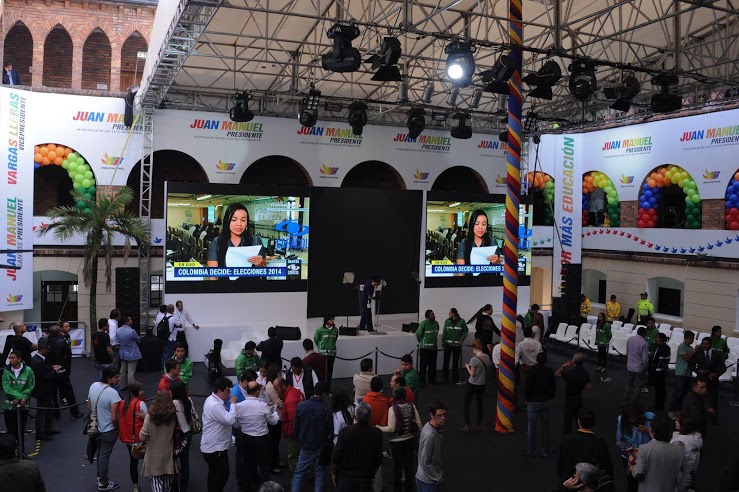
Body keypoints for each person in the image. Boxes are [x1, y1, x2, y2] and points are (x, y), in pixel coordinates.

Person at [232, 381, 280, 492]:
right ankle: (267, 489)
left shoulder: (239, 406)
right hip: (262, 440)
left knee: (247, 464)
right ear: (257, 392)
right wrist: (276, 412)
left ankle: (247, 487)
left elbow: (235, 424)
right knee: (264, 467)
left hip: (246, 439)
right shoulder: (263, 406)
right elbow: (273, 422)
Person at [377, 386, 423, 492]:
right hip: (410, 440)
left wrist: (378, 427)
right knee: (409, 466)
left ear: (394, 397)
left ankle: (396, 489)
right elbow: (419, 424)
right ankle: (408, 488)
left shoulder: (392, 409)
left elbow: (391, 428)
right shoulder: (412, 406)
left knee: (397, 467)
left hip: (396, 443)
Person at [331, 402, 383, 492]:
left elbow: (336, 455)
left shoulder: (345, 431)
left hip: (346, 477)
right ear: (369, 416)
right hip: (366, 478)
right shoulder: (377, 433)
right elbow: (378, 458)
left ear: (355, 416)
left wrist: (334, 472)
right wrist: (372, 473)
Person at [629, 413, 683, 492]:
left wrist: (632, 467)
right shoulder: (679, 450)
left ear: (652, 431)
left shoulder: (644, 449)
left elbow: (638, 474)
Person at [88, 366, 122, 491]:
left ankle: (100, 478)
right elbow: (114, 417)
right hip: (109, 430)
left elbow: (89, 407)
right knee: (104, 456)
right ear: (109, 378)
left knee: (100, 453)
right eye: (116, 377)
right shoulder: (113, 393)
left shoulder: (93, 386)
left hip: (96, 427)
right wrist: (118, 428)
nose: (119, 379)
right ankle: (103, 483)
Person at [292, 381, 330, 492]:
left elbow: (296, 427)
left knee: (299, 472)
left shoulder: (301, 406)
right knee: (319, 473)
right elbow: (329, 430)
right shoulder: (325, 409)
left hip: (305, 445)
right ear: (324, 394)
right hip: (320, 446)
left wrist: (300, 439)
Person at [207, 203, 267, 272]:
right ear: (227, 221)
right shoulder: (217, 242)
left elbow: (263, 270)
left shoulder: (255, 241)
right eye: (234, 220)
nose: (239, 224)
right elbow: (213, 273)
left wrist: (259, 264)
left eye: (243, 220)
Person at [200, 378, 237, 492]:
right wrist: (233, 404)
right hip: (215, 449)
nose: (229, 393)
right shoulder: (215, 405)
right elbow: (230, 420)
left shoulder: (212, 400)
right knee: (221, 475)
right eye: (227, 391)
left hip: (213, 447)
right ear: (219, 391)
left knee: (213, 475)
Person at [557, 408, 613, 482]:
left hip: (570, 483)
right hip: (591, 484)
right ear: (593, 423)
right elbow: (607, 468)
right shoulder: (600, 443)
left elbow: (560, 467)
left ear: (578, 422)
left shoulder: (565, 440)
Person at [140, 391, 179, 492]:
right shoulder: (173, 417)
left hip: (153, 457)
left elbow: (142, 437)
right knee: (167, 486)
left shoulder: (149, 417)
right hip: (168, 455)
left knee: (156, 484)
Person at [523, 352, 556, 458]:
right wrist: (550, 397)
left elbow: (527, 388)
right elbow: (553, 386)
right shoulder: (549, 371)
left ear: (536, 360)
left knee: (531, 427)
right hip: (545, 401)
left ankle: (531, 450)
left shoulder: (531, 371)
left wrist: (527, 399)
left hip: (533, 401)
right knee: (546, 427)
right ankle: (545, 450)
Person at [2, 350, 35, 455]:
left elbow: (31, 386)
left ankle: (21, 452)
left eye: (13, 358)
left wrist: (22, 398)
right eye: (9, 358)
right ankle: (13, 453)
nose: (10, 360)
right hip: (9, 407)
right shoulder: (6, 371)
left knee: (21, 431)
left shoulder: (28, 371)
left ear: (19, 359)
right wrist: (21, 397)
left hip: (23, 407)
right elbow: (7, 388)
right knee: (11, 432)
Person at [616, 403, 654, 492]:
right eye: (630, 419)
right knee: (631, 481)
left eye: (634, 418)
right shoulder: (622, 421)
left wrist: (648, 430)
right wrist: (630, 452)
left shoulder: (649, 419)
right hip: (629, 456)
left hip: (645, 455)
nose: (632, 421)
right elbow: (619, 440)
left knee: (645, 479)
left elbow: (658, 437)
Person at [48, 322, 82, 419]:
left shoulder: (47, 342)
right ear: (58, 331)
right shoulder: (62, 342)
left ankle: (55, 414)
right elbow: (68, 355)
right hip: (62, 370)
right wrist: (66, 368)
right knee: (69, 393)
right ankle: (74, 413)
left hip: (51, 370)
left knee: (53, 394)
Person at [689, 336, 726, 424]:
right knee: (697, 399)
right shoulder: (699, 353)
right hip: (701, 380)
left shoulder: (717, 355)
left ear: (711, 344)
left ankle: (713, 419)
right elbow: (691, 365)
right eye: (703, 344)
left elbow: (723, 368)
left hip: (712, 381)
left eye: (706, 344)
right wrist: (698, 371)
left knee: (713, 400)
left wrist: (715, 374)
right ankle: (696, 416)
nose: (704, 346)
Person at [118, 382, 147, 492]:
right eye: (141, 390)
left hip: (128, 438)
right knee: (149, 458)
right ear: (136, 392)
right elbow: (148, 420)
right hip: (140, 437)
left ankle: (135, 486)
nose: (143, 392)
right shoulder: (140, 404)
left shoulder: (122, 403)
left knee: (133, 461)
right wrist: (145, 416)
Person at [30, 338, 60, 442]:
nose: (49, 351)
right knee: (42, 412)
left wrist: (51, 368)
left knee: (49, 409)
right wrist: (54, 371)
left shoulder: (36, 359)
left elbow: (43, 371)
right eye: (48, 349)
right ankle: (40, 433)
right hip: (42, 391)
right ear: (43, 349)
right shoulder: (38, 362)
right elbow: (45, 377)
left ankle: (47, 429)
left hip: (43, 390)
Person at [555, 352, 592, 435]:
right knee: (579, 422)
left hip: (569, 401)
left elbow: (556, 374)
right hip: (579, 400)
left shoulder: (569, 372)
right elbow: (588, 386)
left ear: (573, 361)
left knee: (567, 423)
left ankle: (567, 438)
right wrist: (580, 386)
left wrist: (564, 366)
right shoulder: (585, 372)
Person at [415, 400, 447, 492]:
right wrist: (437, 477)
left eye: (444, 414)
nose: (443, 418)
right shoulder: (430, 435)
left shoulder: (434, 427)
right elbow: (424, 462)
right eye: (439, 415)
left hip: (429, 479)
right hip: (427, 482)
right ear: (432, 415)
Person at [461, 338, 491, 433]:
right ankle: (478, 425)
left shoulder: (474, 359)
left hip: (473, 384)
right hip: (482, 384)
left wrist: (467, 367)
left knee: (466, 404)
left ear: (474, 348)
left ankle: (467, 425)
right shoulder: (487, 357)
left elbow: (472, 374)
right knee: (479, 404)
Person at [275, 377, 304, 473]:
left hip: (295, 435)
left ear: (283, 386)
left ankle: (296, 478)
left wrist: (290, 435)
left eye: (277, 389)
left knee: (293, 457)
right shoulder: (296, 392)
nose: (276, 392)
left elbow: (292, 421)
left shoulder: (289, 400)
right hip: (302, 431)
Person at [171, 381, 196, 492]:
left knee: (173, 460)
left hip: (178, 435)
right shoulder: (188, 400)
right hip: (187, 433)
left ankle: (175, 487)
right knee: (185, 461)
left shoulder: (174, 403)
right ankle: (183, 487)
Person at [670, 412, 702, 492]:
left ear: (684, 426)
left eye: (678, 421)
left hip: (679, 478)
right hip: (690, 474)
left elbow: (671, 461)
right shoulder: (695, 437)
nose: (675, 422)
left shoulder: (680, 443)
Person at [669, 330, 695, 419]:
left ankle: (679, 410)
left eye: (693, 339)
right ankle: (671, 410)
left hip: (688, 373)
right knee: (678, 393)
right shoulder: (681, 346)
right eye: (691, 339)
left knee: (683, 393)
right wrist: (694, 352)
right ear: (686, 338)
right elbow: (686, 359)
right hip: (680, 373)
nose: (692, 341)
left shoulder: (691, 348)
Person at [263, 366, 284, 474]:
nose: (281, 376)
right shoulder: (271, 386)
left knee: (276, 441)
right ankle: (272, 465)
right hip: (274, 416)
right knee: (273, 442)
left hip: (276, 415)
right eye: (279, 374)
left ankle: (276, 461)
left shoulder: (270, 385)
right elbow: (279, 403)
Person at [516, 328, 543, 405]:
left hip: (525, 367)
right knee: (536, 384)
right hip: (536, 367)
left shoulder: (521, 344)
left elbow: (517, 358)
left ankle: (528, 400)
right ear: (532, 333)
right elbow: (541, 355)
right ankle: (536, 400)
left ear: (523, 334)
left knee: (525, 385)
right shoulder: (537, 343)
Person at [441, 308, 468, 383]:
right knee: (446, 361)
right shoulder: (447, 321)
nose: (448, 314)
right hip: (448, 345)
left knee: (455, 362)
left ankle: (455, 376)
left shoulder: (461, 321)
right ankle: (445, 376)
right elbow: (444, 332)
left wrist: (462, 339)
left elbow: (465, 331)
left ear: (454, 313)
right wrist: (443, 342)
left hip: (457, 345)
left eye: (450, 313)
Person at [624, 326, 649, 404]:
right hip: (639, 368)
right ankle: (634, 403)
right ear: (644, 334)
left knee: (628, 384)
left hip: (630, 366)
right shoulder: (644, 343)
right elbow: (645, 359)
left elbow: (627, 352)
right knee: (638, 386)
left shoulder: (630, 339)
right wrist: (646, 367)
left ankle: (625, 401)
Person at [117, 315, 142, 390]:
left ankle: (121, 385)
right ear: (127, 322)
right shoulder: (132, 331)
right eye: (130, 320)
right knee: (131, 371)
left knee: (122, 370)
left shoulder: (118, 330)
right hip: (132, 353)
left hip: (122, 353)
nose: (131, 321)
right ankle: (132, 387)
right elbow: (138, 340)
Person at [415, 309, 439, 385]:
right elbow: (418, 335)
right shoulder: (423, 324)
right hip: (424, 349)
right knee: (423, 366)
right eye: (432, 314)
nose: (433, 315)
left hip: (433, 348)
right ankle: (422, 381)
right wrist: (422, 342)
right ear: (428, 316)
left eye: (433, 314)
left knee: (433, 365)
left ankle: (432, 380)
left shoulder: (436, 323)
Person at [314, 315, 339, 386]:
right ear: (326, 320)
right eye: (330, 319)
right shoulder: (320, 330)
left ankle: (328, 387)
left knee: (330, 371)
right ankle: (322, 387)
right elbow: (316, 340)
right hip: (322, 354)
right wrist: (321, 348)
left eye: (333, 319)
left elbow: (335, 339)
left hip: (332, 353)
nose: (332, 321)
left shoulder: (335, 330)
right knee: (322, 371)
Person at [650, 333, 670, 411]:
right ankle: (660, 405)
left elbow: (656, 359)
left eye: (657, 337)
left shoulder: (659, 347)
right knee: (661, 388)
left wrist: (654, 366)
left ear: (661, 339)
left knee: (659, 389)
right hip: (662, 370)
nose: (656, 338)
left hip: (658, 371)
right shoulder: (666, 347)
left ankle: (658, 406)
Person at [161, 304, 183, 369]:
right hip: (171, 338)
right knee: (168, 354)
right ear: (173, 310)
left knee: (164, 353)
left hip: (164, 338)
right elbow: (180, 325)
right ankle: (166, 369)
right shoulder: (173, 318)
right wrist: (177, 325)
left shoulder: (164, 316)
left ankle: (162, 368)